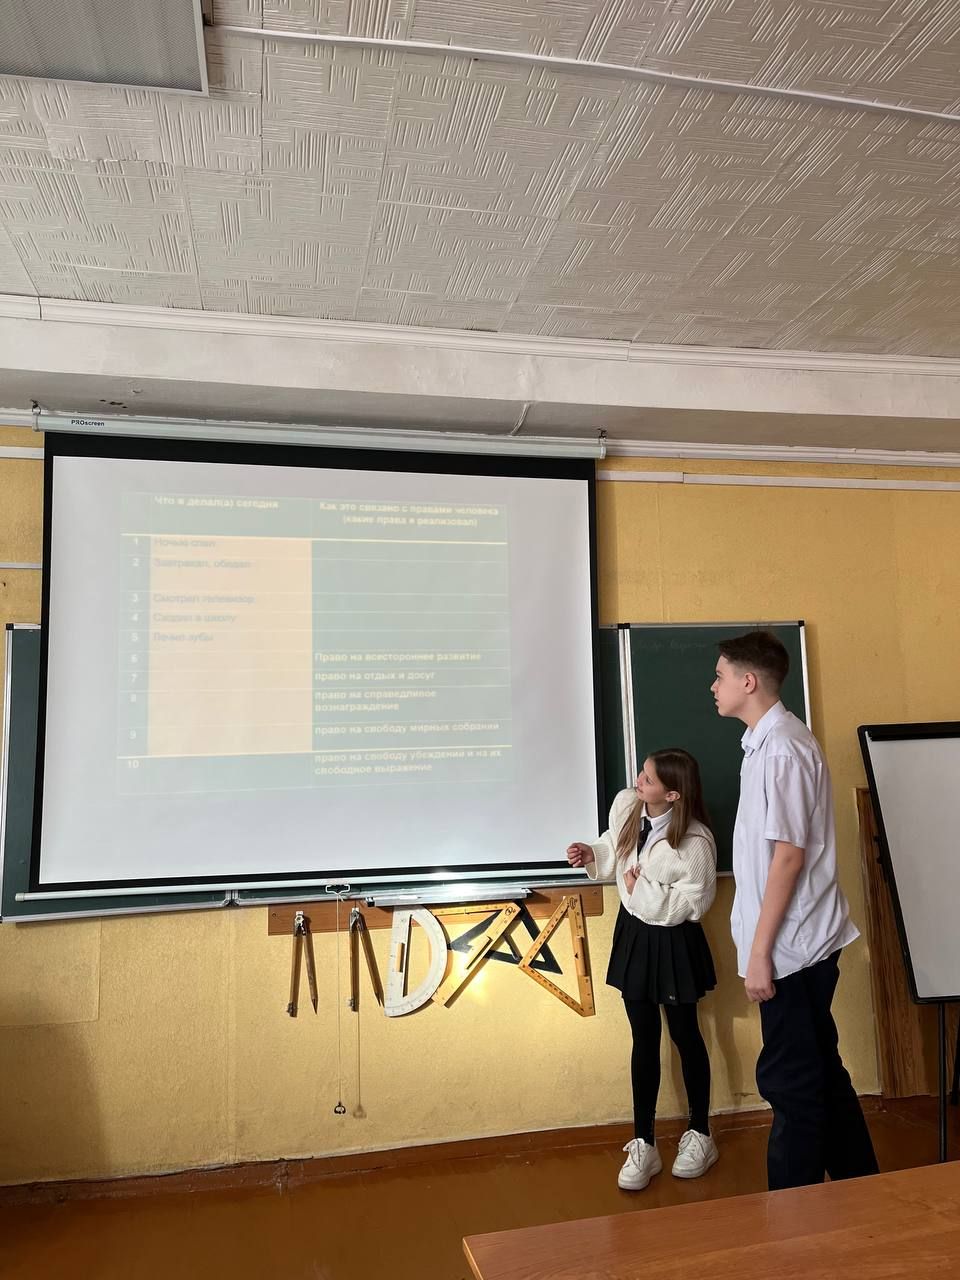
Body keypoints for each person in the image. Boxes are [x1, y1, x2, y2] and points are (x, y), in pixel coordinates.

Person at [711, 629, 879, 1190]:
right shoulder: (764, 745)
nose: (713, 686)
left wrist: (760, 955)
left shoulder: (782, 748)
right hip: (794, 945)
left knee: (791, 1084)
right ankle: (864, 1188)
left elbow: (788, 857)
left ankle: (791, 1220)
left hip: (793, 950)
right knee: (820, 1073)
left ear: (748, 681)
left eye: (720, 676)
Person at [567, 749, 719, 1191]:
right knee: (643, 1037)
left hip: (673, 940)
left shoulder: (695, 841)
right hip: (634, 933)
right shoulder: (627, 805)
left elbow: (694, 903)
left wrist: (643, 889)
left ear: (673, 794)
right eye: (643, 772)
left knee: (685, 1034)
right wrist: (591, 853)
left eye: (649, 779)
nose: (639, 780)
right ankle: (644, 1143)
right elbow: (611, 847)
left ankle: (700, 1133)